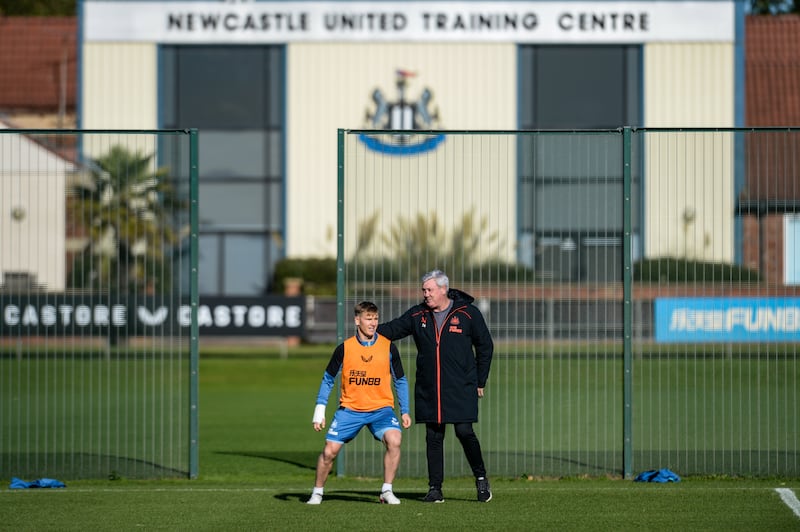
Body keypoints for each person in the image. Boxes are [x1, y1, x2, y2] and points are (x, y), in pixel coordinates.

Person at [377, 269, 494, 503]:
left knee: (464, 431)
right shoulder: (418, 314)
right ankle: (435, 489)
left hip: (461, 386)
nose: (426, 294)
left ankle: (481, 479)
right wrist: (369, 329)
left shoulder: (469, 313)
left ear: (443, 290)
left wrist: (481, 380)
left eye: (429, 290)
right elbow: (393, 329)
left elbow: (485, 346)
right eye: (424, 290)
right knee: (434, 435)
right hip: (429, 388)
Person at [307, 301, 412, 505]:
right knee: (329, 452)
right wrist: (319, 410)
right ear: (357, 320)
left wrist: (405, 410)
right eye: (368, 319)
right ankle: (317, 492)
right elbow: (328, 379)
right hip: (350, 410)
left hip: (381, 409)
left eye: (375, 319)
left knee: (395, 440)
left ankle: (386, 491)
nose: (373, 323)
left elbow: (400, 380)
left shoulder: (388, 347)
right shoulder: (344, 349)